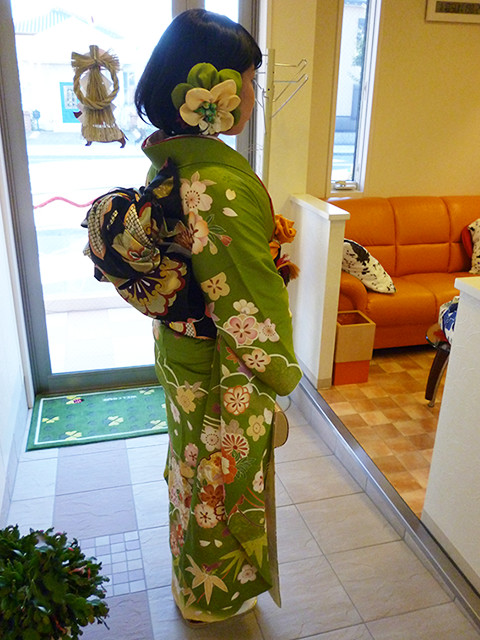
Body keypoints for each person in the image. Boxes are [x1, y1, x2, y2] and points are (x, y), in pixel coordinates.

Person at [134, 8, 302, 625]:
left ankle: (190, 583)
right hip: (216, 361)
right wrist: (280, 368)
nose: (256, 93)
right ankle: (211, 597)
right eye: (252, 80)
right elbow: (246, 300)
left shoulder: (173, 159)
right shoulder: (218, 182)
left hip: (183, 348)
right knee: (217, 480)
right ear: (217, 91)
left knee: (191, 466)